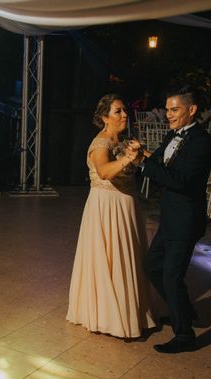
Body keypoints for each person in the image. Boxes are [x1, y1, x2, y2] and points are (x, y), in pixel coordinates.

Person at [133, 86, 211, 353]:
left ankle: (184, 336)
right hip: (170, 217)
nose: (168, 114)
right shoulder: (172, 135)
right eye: (167, 109)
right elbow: (156, 161)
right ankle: (184, 310)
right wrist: (141, 155)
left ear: (192, 110)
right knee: (152, 265)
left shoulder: (202, 142)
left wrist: (146, 165)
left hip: (186, 221)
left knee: (171, 277)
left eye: (174, 109)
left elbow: (181, 181)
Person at [66, 94, 154, 339]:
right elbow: (104, 172)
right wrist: (128, 158)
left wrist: (142, 154)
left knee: (130, 256)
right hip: (107, 206)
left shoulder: (125, 141)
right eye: (118, 111)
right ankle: (110, 315)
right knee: (111, 256)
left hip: (128, 205)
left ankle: (132, 309)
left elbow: (152, 161)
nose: (125, 114)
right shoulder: (100, 144)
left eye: (124, 110)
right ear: (105, 117)